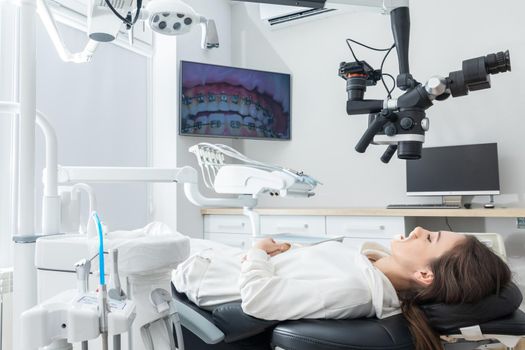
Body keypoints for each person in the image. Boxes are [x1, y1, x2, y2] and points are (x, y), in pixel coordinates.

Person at [173, 227, 511, 350]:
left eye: (431, 239)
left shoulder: (357, 289)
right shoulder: (375, 269)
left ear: (425, 275)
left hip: (203, 274)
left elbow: (260, 301)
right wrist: (296, 253)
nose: (420, 229)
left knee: (132, 240)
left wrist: (260, 250)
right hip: (220, 260)